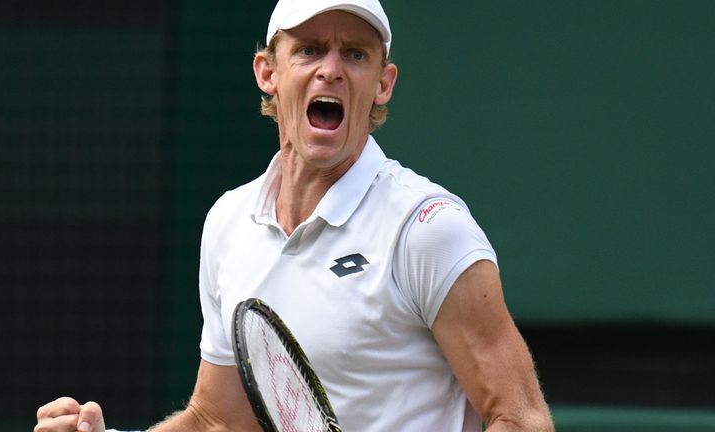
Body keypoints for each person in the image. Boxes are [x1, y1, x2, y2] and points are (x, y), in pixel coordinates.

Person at [34, 0, 553, 431]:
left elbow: (521, 418)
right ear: (269, 73)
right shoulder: (228, 222)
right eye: (309, 50)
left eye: (355, 54)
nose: (331, 68)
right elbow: (217, 420)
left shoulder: (427, 228)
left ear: (383, 83)